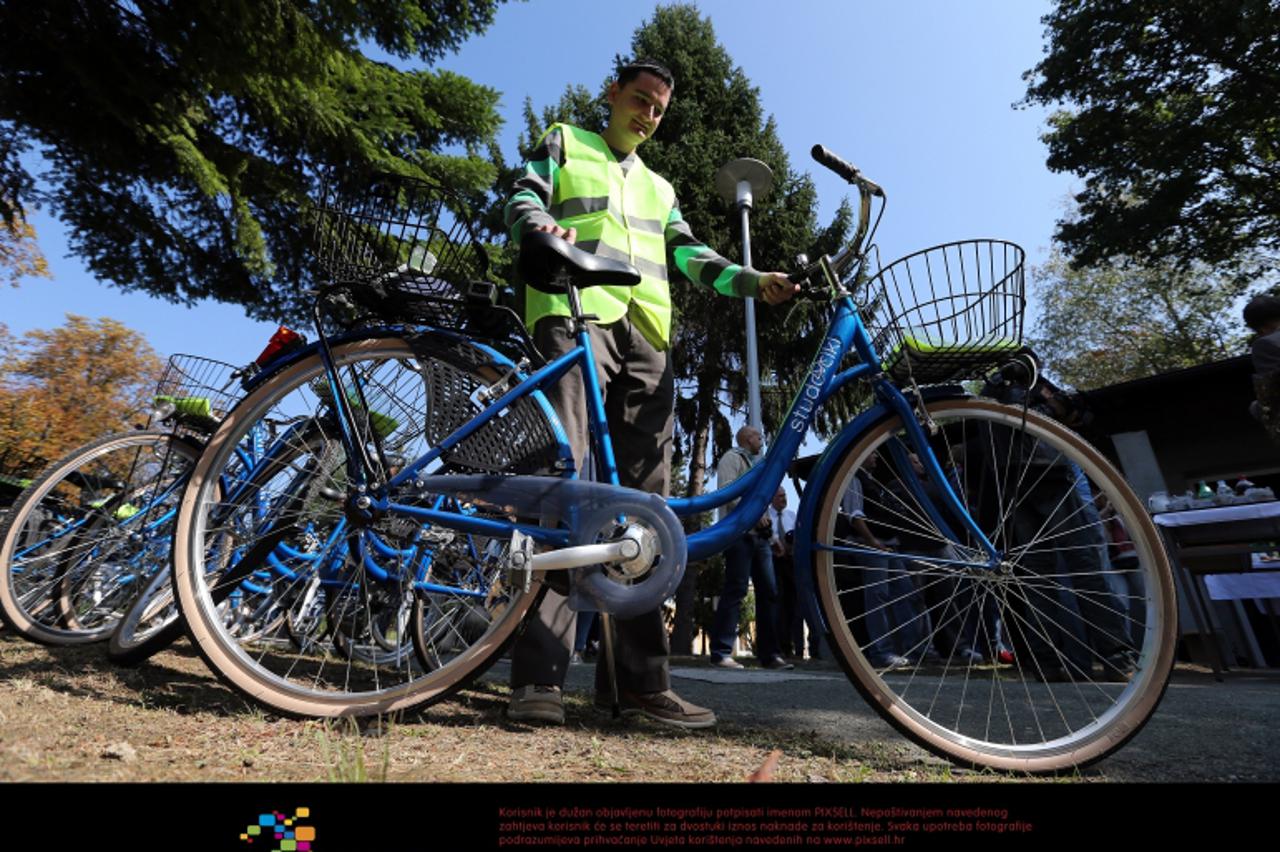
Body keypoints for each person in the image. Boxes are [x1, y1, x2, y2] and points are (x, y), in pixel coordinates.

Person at [500, 59, 797, 727]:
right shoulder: (566, 140)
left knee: (645, 514)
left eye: (659, 109)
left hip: (647, 339)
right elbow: (522, 194)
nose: (648, 115)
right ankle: (538, 679)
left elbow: (691, 256)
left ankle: (639, 685)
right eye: (640, 100)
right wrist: (539, 226)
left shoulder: (661, 188)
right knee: (565, 488)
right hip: (572, 318)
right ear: (611, 94)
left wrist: (754, 281)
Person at [710, 427, 793, 670]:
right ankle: (721, 651)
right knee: (735, 590)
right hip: (739, 534)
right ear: (748, 439)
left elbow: (762, 503)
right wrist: (753, 515)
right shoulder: (732, 458)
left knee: (769, 593)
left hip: (760, 538)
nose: (761, 441)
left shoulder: (757, 466)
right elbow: (727, 491)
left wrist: (773, 538)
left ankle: (770, 654)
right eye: (758, 436)